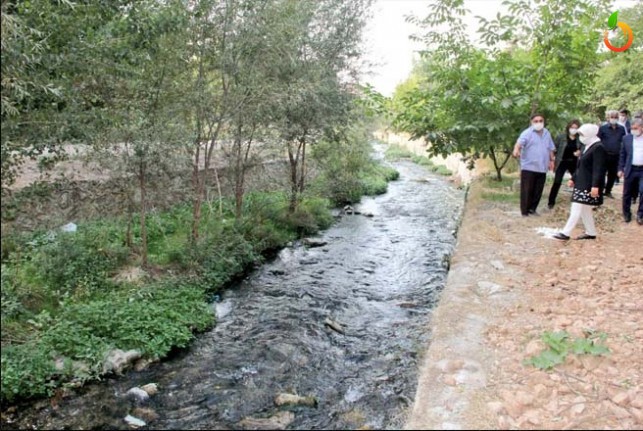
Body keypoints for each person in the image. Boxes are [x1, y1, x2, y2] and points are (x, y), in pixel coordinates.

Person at [553, 124, 607, 241]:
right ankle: (591, 232)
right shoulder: (586, 146)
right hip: (581, 182)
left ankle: (565, 233)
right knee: (585, 209)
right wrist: (573, 178)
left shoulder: (598, 147)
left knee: (576, 207)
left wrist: (595, 186)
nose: (581, 137)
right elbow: (581, 166)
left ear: (591, 134)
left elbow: (599, 169)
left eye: (583, 134)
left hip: (589, 184)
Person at [513, 113, 556, 217]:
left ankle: (533, 209)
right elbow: (519, 143)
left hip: (542, 167)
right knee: (527, 190)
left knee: (538, 190)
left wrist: (552, 161)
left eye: (541, 121)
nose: (538, 123)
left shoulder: (547, 133)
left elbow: (550, 148)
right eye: (536, 121)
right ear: (532, 122)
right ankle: (525, 211)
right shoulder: (527, 133)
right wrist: (516, 150)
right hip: (529, 166)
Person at [547, 119, 582, 209]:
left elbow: (583, 149)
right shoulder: (561, 137)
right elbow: (554, 149)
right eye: (572, 127)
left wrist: (579, 152)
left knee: (578, 181)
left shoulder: (580, 138)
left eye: (575, 128)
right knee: (557, 181)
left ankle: (577, 200)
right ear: (568, 128)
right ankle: (551, 202)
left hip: (574, 162)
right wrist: (551, 160)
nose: (573, 129)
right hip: (562, 161)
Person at [618, 118, 643, 224]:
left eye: (636, 128)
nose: (633, 130)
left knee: (642, 191)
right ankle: (626, 214)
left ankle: (640, 214)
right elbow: (622, 154)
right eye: (632, 128)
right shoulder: (626, 138)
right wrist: (620, 168)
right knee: (627, 193)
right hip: (630, 169)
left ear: (642, 128)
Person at [597, 110, 626, 197]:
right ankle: (600, 190)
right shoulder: (603, 128)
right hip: (604, 155)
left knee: (612, 174)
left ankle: (608, 191)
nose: (614, 119)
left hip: (616, 155)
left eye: (616, 117)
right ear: (608, 118)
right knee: (601, 173)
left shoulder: (621, 129)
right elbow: (598, 140)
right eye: (612, 117)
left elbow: (623, 140)